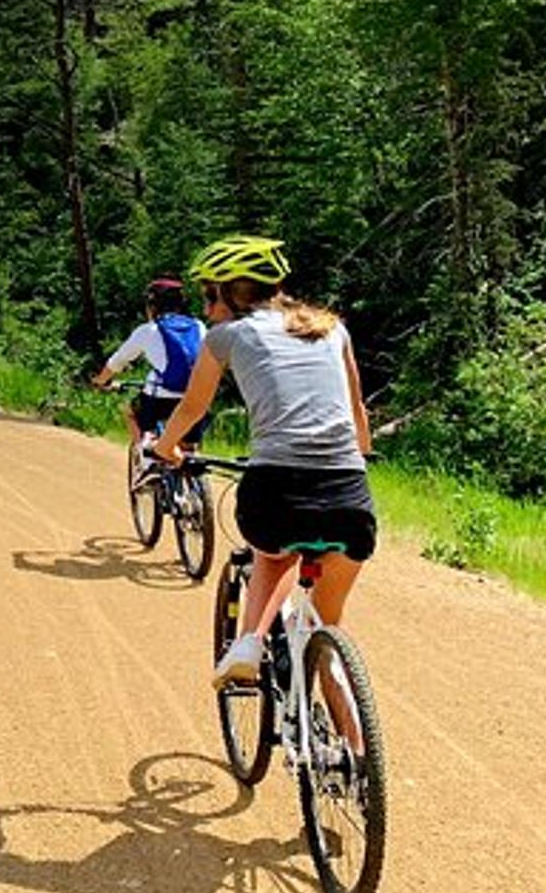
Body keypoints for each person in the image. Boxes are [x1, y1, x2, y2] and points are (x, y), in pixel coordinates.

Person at [149, 236, 376, 689]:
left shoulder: (226, 336)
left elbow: (192, 409)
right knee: (327, 626)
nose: (207, 307)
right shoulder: (334, 328)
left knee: (273, 555)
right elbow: (357, 414)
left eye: (210, 294)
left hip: (278, 486)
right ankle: (354, 749)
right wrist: (362, 455)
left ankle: (249, 641)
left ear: (231, 293)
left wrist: (165, 449)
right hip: (350, 492)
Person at [92, 279, 208, 453]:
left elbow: (116, 363)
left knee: (131, 412)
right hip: (196, 397)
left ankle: (146, 460)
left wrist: (101, 381)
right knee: (188, 449)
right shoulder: (199, 326)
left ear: (152, 306)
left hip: (159, 399)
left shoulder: (149, 330)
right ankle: (193, 469)